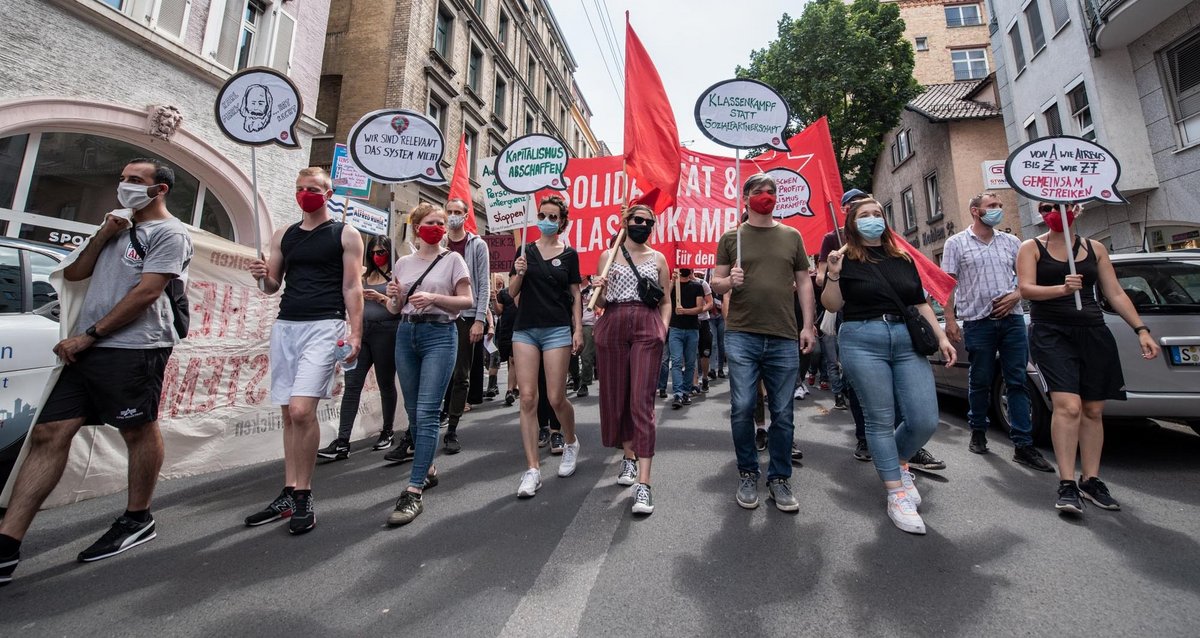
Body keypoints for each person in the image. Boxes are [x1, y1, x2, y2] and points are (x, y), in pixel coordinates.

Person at [0, 158, 193, 585]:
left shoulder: (170, 233)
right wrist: (104, 233)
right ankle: (7, 543)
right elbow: (74, 273)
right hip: (87, 348)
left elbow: (147, 292)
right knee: (50, 434)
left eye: (135, 181)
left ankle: (137, 518)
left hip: (133, 349)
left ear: (159, 190)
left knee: (138, 430)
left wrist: (90, 335)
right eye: (122, 178)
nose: (123, 186)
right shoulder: (117, 226)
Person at [822, 197, 956, 535]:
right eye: (864, 215)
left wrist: (941, 337)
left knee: (924, 418)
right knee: (879, 419)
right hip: (861, 337)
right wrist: (834, 276)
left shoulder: (902, 256)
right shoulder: (842, 258)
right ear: (852, 223)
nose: (871, 220)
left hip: (906, 337)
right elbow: (832, 304)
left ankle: (896, 462)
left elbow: (919, 301)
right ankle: (896, 492)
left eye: (876, 214)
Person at [1016, 202, 1159, 515]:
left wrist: (1142, 330)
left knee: (1094, 409)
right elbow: (1025, 289)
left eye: (1061, 206)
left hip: (1093, 332)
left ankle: (1090, 480)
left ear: (1076, 210)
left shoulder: (1095, 248)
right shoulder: (1032, 247)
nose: (1054, 211)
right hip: (1051, 333)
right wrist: (1061, 289)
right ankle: (1066, 483)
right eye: (1046, 207)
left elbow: (1116, 292)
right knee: (1069, 406)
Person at [245, 167, 364, 535]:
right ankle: (288, 489)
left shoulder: (346, 233)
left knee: (301, 410)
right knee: (287, 414)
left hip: (324, 326)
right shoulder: (284, 234)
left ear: (328, 193)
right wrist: (260, 275)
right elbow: (271, 286)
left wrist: (355, 333)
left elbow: (352, 288)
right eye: (300, 188)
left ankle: (304, 495)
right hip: (286, 327)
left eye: (313, 188)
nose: (305, 193)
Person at [711, 173, 816, 513]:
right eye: (759, 192)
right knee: (743, 407)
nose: (766, 196)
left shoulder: (792, 236)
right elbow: (715, 283)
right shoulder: (731, 237)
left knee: (783, 413)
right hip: (742, 334)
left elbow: (803, 282)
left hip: (784, 335)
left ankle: (779, 478)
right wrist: (729, 281)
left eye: (771, 191)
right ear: (746, 199)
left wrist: (808, 325)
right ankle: (747, 472)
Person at [942, 193, 1053, 472]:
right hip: (978, 321)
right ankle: (978, 429)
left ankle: (1023, 445)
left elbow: (1026, 279)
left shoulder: (1011, 242)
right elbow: (946, 285)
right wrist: (950, 320)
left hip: (1012, 319)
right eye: (992, 206)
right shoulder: (956, 243)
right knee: (980, 378)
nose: (998, 210)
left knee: (1017, 380)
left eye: (1000, 206)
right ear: (975, 211)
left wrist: (1017, 295)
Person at [384, 203, 473, 526]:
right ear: (416, 226)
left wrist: (435, 298)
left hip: (440, 334)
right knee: (412, 411)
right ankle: (429, 468)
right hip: (406, 335)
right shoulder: (404, 262)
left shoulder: (453, 259)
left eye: (441, 221)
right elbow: (395, 308)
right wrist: (393, 296)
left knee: (426, 411)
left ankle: (413, 489)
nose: (438, 226)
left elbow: (467, 300)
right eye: (431, 222)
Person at [592, 204, 672, 514]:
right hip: (612, 323)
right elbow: (596, 304)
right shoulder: (607, 255)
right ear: (625, 221)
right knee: (617, 397)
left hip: (646, 325)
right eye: (637, 219)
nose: (643, 224)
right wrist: (596, 288)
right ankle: (628, 457)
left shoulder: (658, 259)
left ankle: (644, 484)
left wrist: (661, 329)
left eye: (648, 221)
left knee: (641, 400)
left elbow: (666, 301)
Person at [509, 195, 583, 497]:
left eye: (553, 217)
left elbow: (576, 293)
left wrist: (577, 328)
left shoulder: (569, 254)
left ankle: (570, 441)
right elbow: (512, 292)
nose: (547, 220)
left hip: (556, 330)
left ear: (562, 222)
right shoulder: (524, 250)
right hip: (525, 329)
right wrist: (520, 271)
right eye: (543, 215)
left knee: (555, 398)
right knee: (527, 398)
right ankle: (533, 470)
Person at [317, 235, 401, 460]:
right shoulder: (363, 276)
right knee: (352, 385)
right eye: (374, 251)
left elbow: (401, 307)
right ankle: (343, 441)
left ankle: (387, 430)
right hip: (361, 332)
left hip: (387, 331)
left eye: (382, 250)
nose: (377, 255)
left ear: (390, 252)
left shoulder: (396, 276)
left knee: (385, 382)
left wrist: (381, 297)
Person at [439, 197, 490, 454]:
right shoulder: (438, 242)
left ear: (466, 215)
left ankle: (452, 429)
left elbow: (483, 283)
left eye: (458, 212)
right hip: (437, 314)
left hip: (466, 316)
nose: (453, 215)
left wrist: (479, 319)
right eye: (449, 211)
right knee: (438, 372)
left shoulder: (477, 245)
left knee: (461, 374)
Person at [666, 268, 705, 409]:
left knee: (689, 363)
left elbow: (700, 308)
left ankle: (686, 392)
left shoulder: (697, 286)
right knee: (676, 362)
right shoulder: (672, 286)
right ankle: (678, 393)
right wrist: (672, 281)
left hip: (692, 329)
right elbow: (664, 298)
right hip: (675, 329)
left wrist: (685, 311)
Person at [575, 276, 598, 397]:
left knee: (586, 356)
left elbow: (598, 309)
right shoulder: (573, 288)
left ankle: (584, 383)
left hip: (588, 324)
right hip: (573, 325)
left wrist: (596, 326)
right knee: (571, 356)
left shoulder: (592, 289)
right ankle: (574, 377)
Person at [693, 271, 715, 394]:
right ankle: (695, 382)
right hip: (690, 323)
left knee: (705, 353)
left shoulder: (703, 284)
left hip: (703, 321)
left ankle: (705, 377)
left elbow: (710, 303)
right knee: (691, 353)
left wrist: (700, 310)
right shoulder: (680, 284)